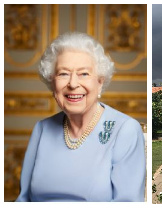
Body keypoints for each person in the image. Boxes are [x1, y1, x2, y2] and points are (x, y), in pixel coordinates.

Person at [16, 32, 146, 202]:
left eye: (83, 74)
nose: (73, 83)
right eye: (63, 73)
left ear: (99, 82)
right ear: (52, 82)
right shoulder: (42, 129)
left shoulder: (125, 130)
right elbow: (23, 200)